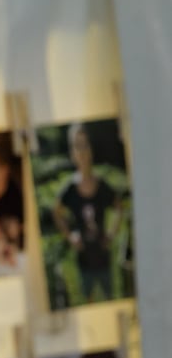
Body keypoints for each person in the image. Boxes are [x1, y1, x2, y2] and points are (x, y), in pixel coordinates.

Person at [53, 123, 125, 304]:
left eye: (85, 145)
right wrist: (70, 237)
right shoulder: (69, 189)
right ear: (72, 153)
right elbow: (57, 212)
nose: (83, 151)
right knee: (89, 300)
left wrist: (110, 235)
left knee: (110, 299)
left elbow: (119, 207)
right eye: (78, 145)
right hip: (84, 259)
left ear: (92, 149)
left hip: (103, 256)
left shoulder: (102, 185)